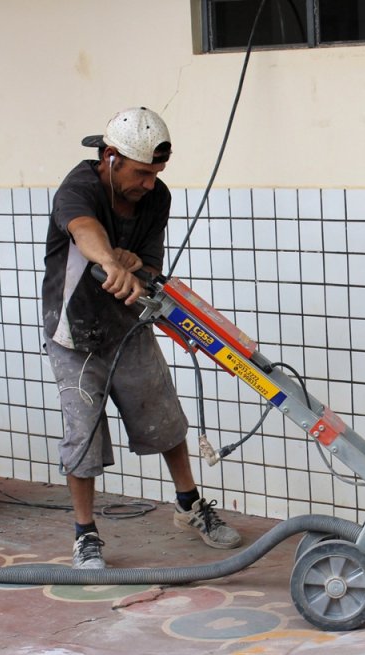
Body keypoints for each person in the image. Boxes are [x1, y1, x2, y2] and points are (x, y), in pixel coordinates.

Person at [41, 106, 242, 569]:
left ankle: (190, 506)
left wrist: (137, 267)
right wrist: (110, 262)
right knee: (83, 434)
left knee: (164, 418)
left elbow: (152, 263)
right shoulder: (80, 189)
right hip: (74, 331)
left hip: (129, 326)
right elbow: (83, 228)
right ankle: (85, 533)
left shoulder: (156, 197)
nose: (149, 183)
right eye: (141, 173)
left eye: (157, 173)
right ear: (110, 157)